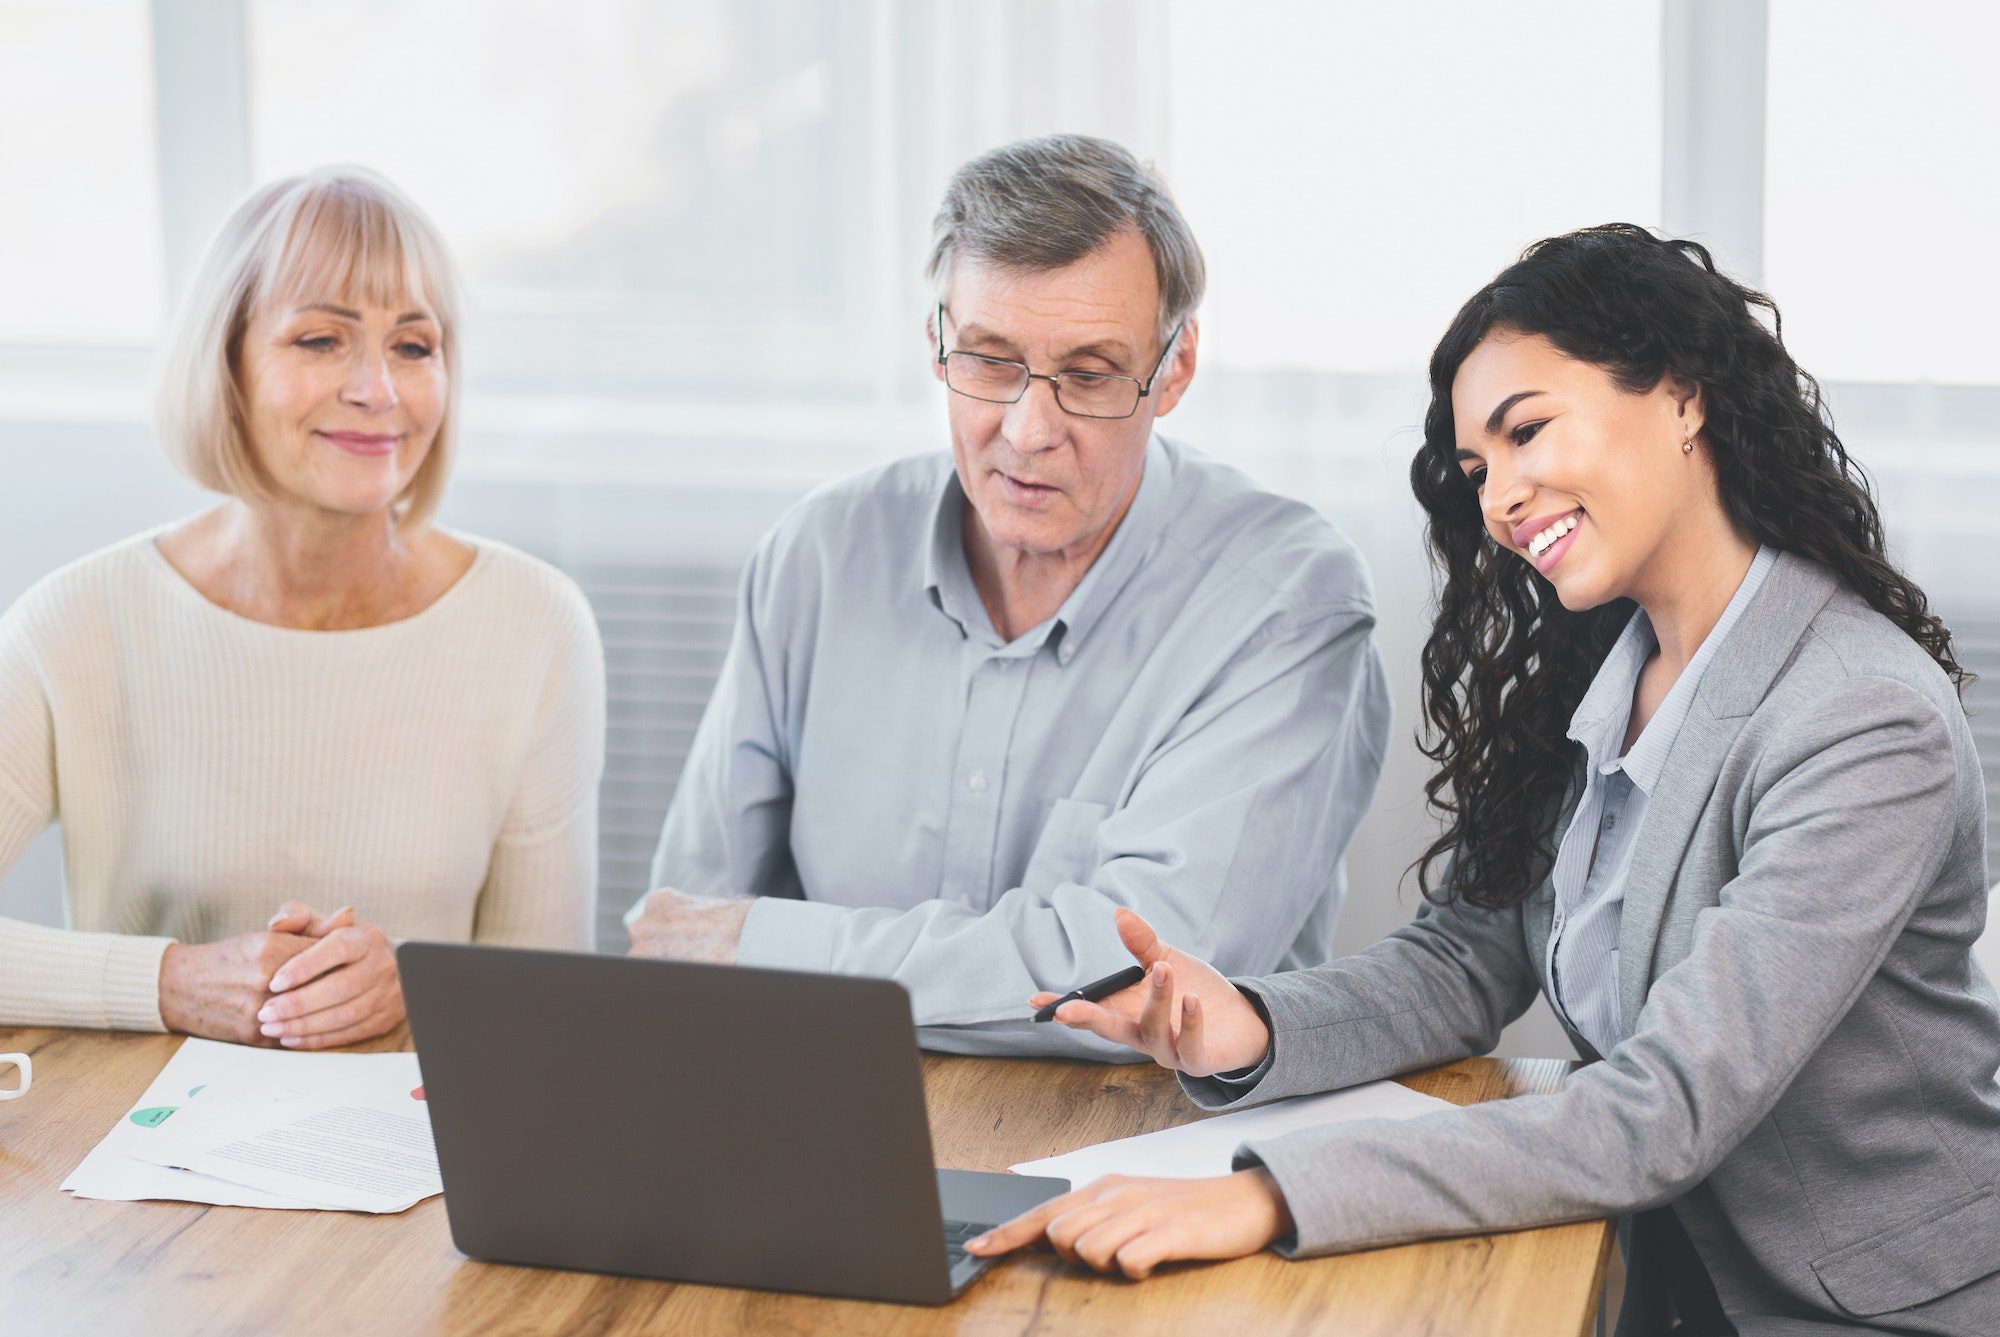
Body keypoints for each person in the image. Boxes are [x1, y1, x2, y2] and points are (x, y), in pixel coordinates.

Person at [967, 225, 2000, 1334]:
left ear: (1682, 397)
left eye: (1526, 432)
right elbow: (1468, 958)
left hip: (1867, 1303)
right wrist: (1252, 1029)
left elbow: (1665, 1107)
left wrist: (1269, 1190)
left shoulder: (1856, 713)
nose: (1500, 497)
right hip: (1641, 1272)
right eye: (1476, 469)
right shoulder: (1608, 668)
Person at [626, 134, 1390, 1057]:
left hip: (1143, 1158)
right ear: (937, 340)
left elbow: (1146, 989)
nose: (1029, 431)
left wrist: (767, 946)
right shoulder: (819, 556)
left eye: (1090, 374)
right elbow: (681, 940)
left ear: (1175, 366)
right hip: (817, 1123)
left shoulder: (1286, 603)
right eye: (989, 360)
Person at [0, 167, 605, 1049]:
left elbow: (548, 999)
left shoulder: (535, 624)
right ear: (227, 365)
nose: (378, 390)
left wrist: (418, 981)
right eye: (322, 340)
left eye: (413, 345)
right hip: (132, 1148)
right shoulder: (77, 622)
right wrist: (169, 981)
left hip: (407, 1157)